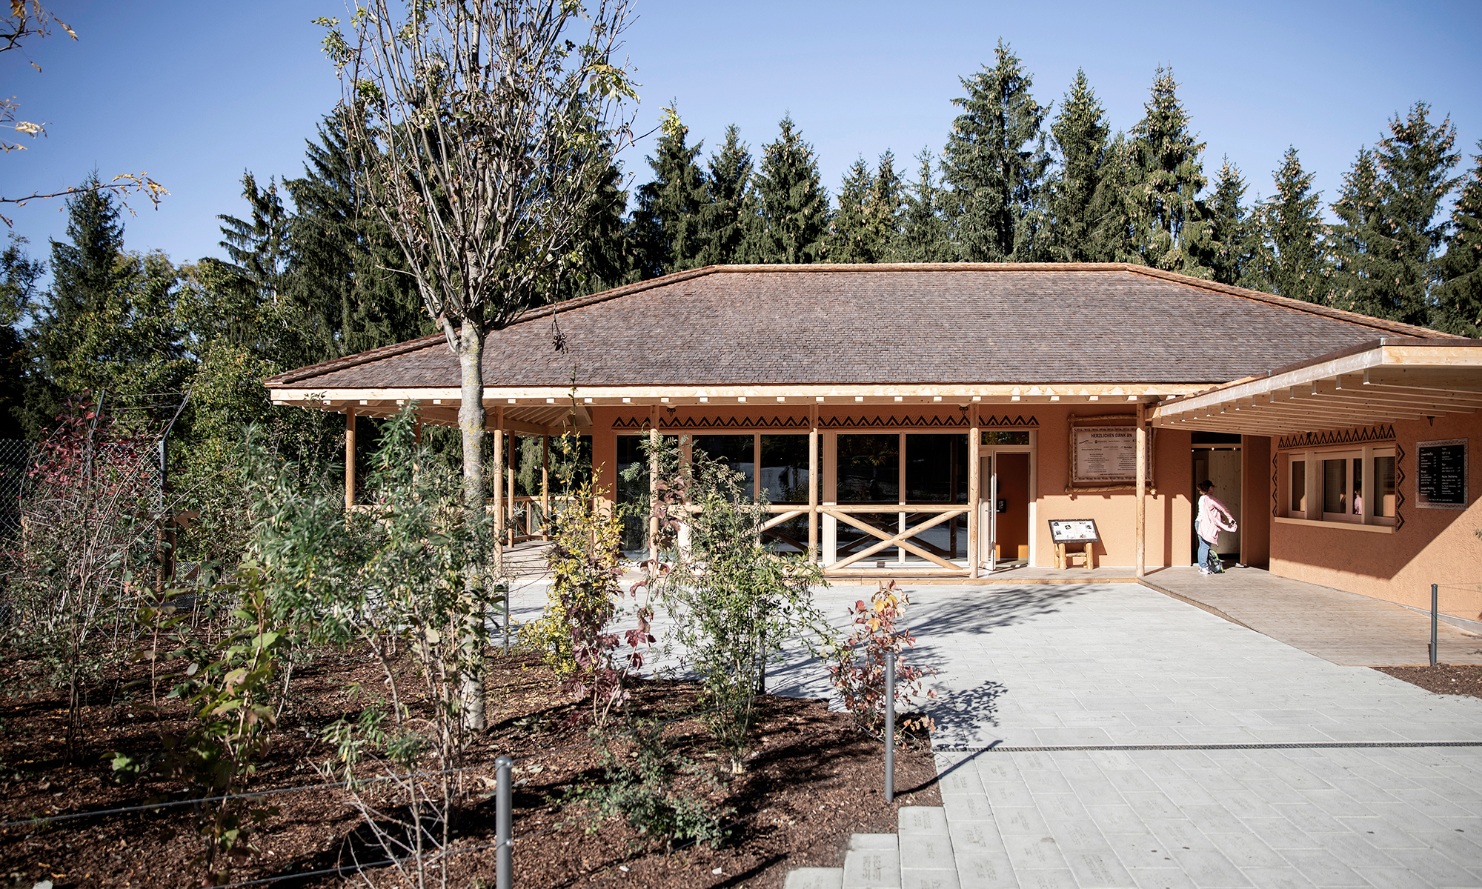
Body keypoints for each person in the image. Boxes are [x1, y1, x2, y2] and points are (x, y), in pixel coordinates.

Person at [1195, 480, 1238, 575]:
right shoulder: (1210, 499)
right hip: (1205, 524)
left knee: (1202, 545)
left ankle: (1203, 565)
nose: (1213, 489)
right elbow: (1223, 508)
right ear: (1210, 488)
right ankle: (1203, 566)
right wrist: (1230, 518)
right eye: (1212, 487)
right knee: (1205, 546)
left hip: (1199, 522)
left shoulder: (1201, 498)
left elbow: (1210, 511)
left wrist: (1220, 516)